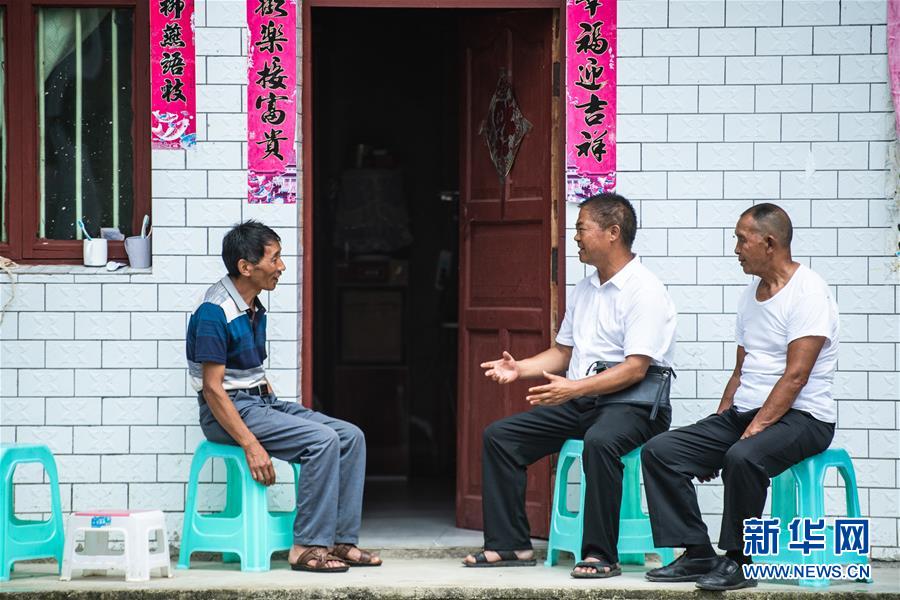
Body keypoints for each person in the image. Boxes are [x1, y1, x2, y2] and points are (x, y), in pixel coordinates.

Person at [462, 193, 677, 578]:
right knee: (501, 437)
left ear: (613, 232)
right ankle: (510, 543)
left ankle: (599, 555)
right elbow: (563, 352)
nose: (574, 237)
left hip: (634, 406)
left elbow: (635, 369)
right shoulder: (586, 288)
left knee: (601, 441)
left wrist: (573, 390)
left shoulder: (645, 290)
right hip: (585, 401)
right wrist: (520, 368)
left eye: (581, 228)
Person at [641, 203, 838, 591]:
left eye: (741, 239)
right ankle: (698, 552)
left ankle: (739, 562)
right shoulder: (752, 294)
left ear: (769, 242)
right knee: (661, 451)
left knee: (742, 457)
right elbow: (740, 369)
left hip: (805, 418)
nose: (735, 248)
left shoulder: (809, 292)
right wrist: (721, 421)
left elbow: (796, 376)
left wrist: (753, 430)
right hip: (749, 411)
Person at [186, 220, 382, 573]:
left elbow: (251, 370)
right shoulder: (215, 312)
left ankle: (340, 540)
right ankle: (306, 547)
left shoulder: (253, 305)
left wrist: (277, 408)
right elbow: (213, 389)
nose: (282, 267)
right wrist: (250, 444)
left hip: (259, 403)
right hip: (226, 411)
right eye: (274, 259)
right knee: (322, 440)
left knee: (350, 436)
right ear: (246, 267)